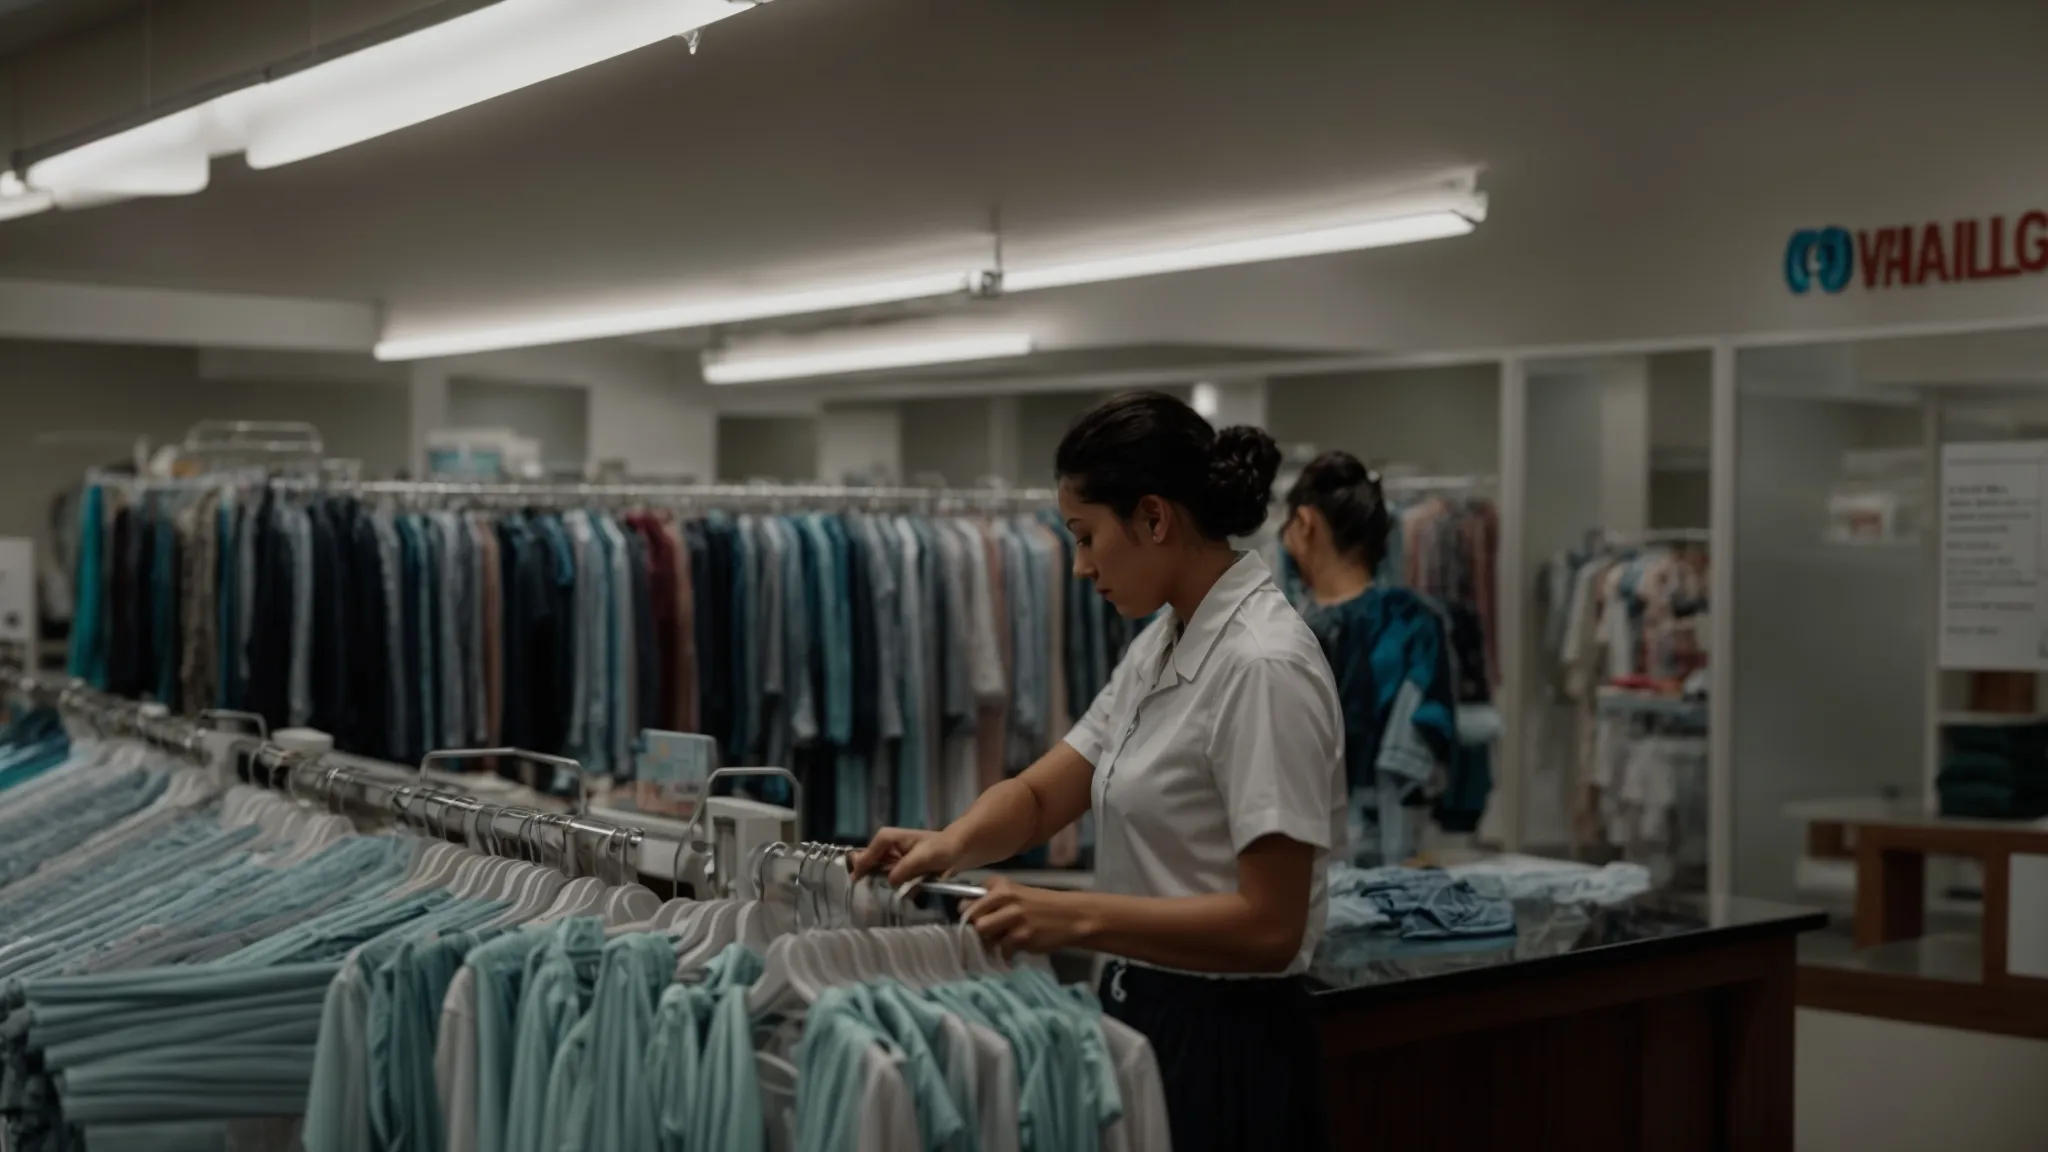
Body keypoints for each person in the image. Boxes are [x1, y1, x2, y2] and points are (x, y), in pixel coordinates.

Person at [852, 390, 1343, 1152]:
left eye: (1085, 538)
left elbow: (1271, 926)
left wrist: (1074, 915)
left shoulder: (1262, 667)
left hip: (1228, 1042)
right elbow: (1047, 791)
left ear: (1154, 518)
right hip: (1142, 1007)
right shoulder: (1163, 642)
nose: (1079, 567)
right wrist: (949, 845)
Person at [1279, 451, 1455, 866]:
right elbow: (1420, 745)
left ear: (1304, 524)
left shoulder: (1282, 627)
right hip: (1387, 845)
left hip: (1294, 842)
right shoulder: (1414, 622)